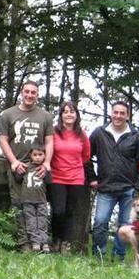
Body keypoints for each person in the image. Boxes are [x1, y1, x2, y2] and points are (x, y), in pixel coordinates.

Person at [87, 100, 139, 261]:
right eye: (116, 112)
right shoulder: (99, 133)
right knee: (100, 223)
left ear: (127, 116)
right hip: (105, 187)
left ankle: (119, 257)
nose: (118, 116)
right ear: (111, 114)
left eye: (122, 113)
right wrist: (92, 178)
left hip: (129, 188)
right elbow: (86, 156)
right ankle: (98, 256)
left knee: (125, 225)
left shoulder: (136, 136)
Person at [0, 80, 53, 251]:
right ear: (22, 92)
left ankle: (41, 242)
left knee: (40, 207)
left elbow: (49, 141)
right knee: (19, 204)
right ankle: (25, 243)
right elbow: (3, 139)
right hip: (18, 167)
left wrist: (47, 163)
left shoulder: (45, 116)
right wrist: (14, 162)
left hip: (38, 168)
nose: (29, 95)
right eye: (27, 91)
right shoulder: (7, 114)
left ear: (37, 95)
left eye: (33, 92)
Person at [48, 101, 91, 254]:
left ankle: (65, 243)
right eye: (65, 112)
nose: (69, 114)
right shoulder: (53, 132)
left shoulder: (82, 134)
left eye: (72, 111)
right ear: (61, 115)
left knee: (70, 212)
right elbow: (48, 152)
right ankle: (56, 240)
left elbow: (86, 155)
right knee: (58, 211)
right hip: (57, 177)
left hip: (76, 178)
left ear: (76, 115)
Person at [19, 143, 52, 253]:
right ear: (30, 155)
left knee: (42, 221)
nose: (37, 157)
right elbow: (18, 177)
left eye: (40, 154)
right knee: (31, 222)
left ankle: (44, 243)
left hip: (41, 200)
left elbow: (49, 181)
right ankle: (35, 242)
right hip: (27, 200)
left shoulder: (45, 169)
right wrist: (16, 167)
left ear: (44, 155)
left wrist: (47, 170)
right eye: (35, 155)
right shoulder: (26, 167)